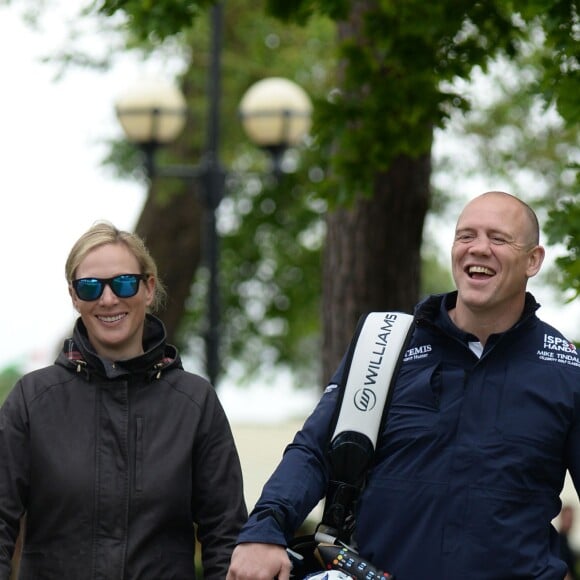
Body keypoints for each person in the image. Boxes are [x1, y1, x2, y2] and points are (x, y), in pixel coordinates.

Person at [227, 191, 580, 580]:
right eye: (466, 236)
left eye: (498, 238)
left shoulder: (565, 370)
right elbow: (314, 451)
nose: (478, 249)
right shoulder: (385, 346)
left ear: (533, 260)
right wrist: (265, 529)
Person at [0, 221, 247, 579]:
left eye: (124, 282)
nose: (108, 298)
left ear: (148, 288)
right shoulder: (33, 399)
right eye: (90, 287)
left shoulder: (194, 402)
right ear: (73, 296)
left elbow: (226, 535)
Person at [559, 505, 580, 580]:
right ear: (562, 518)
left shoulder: (566, 540)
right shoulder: (559, 540)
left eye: (571, 519)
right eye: (567, 519)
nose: (570, 522)